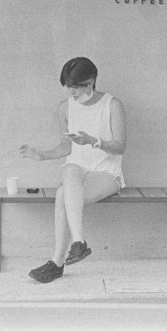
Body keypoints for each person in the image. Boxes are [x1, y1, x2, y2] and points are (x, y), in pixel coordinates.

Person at [19, 57, 127, 283]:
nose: (72, 92)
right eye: (68, 87)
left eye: (76, 87)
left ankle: (57, 262)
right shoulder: (65, 108)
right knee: (69, 168)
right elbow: (66, 147)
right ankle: (79, 242)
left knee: (62, 195)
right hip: (77, 174)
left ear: (91, 82)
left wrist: (93, 141)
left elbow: (120, 146)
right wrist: (41, 155)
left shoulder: (112, 105)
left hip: (106, 173)